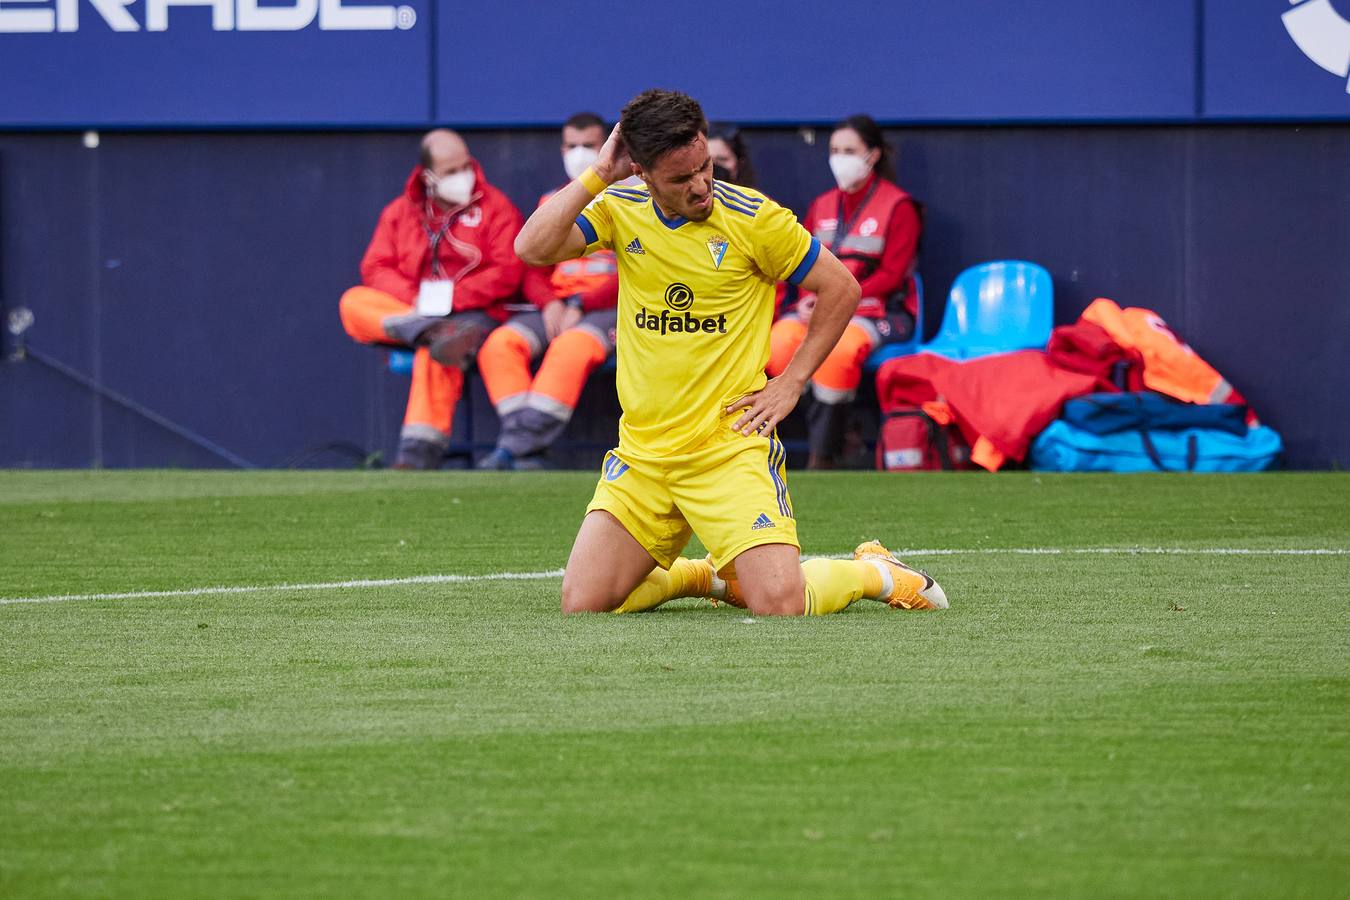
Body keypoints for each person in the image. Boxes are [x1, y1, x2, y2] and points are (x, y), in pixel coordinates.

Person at [515, 89, 948, 617]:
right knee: (582, 605)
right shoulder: (619, 207)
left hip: (728, 447)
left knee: (782, 606)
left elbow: (843, 289)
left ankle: (876, 572)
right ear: (642, 173)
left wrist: (790, 383)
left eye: (705, 167)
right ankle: (702, 575)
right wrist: (597, 176)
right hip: (644, 455)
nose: (700, 185)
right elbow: (531, 249)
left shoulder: (755, 218)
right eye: (680, 178)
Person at [338, 130, 525, 470]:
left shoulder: (495, 207)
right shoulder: (401, 211)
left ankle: (416, 456)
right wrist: (417, 300)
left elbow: (509, 271)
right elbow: (376, 267)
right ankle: (431, 330)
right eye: (451, 171)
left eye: (465, 166)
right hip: (416, 313)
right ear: (429, 177)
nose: (463, 175)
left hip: (475, 315)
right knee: (353, 301)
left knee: (437, 353)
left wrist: (454, 297)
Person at [767, 114, 923, 468]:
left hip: (879, 309)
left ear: (873, 155)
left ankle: (822, 457)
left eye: (849, 150)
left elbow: (892, 275)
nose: (840, 158)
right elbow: (800, 264)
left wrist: (836, 301)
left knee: (837, 350)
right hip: (817, 305)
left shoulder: (899, 207)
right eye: (834, 150)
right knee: (778, 343)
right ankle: (840, 430)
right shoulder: (821, 205)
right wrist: (811, 299)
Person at [475, 113, 620, 470]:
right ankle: (527, 447)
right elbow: (534, 266)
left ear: (608, 148)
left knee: (571, 346)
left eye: (590, 145)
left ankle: (513, 448)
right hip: (559, 306)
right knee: (499, 344)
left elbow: (637, 270)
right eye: (572, 146)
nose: (580, 153)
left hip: (611, 309)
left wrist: (579, 302)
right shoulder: (552, 200)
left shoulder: (631, 195)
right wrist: (551, 302)